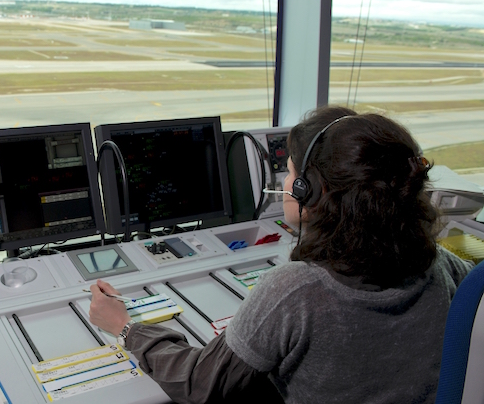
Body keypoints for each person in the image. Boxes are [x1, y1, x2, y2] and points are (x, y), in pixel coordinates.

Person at [88, 106, 474, 404]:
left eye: (289, 172)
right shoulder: (442, 267)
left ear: (311, 191)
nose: (287, 183)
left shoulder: (296, 291)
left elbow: (198, 384)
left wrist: (127, 328)